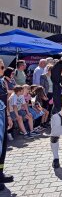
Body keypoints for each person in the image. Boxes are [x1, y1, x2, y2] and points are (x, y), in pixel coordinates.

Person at [0, 59, 13, 190]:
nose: (4, 70)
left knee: (3, 148)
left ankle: (0, 173)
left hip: (3, 116)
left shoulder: (2, 82)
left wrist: (8, 116)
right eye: (2, 67)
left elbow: (6, 100)